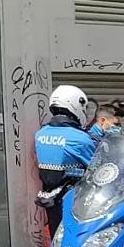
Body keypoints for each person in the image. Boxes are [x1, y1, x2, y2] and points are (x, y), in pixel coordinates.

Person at [35, 85, 96, 235]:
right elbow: (97, 167)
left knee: (56, 236)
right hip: (76, 199)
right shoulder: (80, 138)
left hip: (50, 197)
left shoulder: (41, 133)